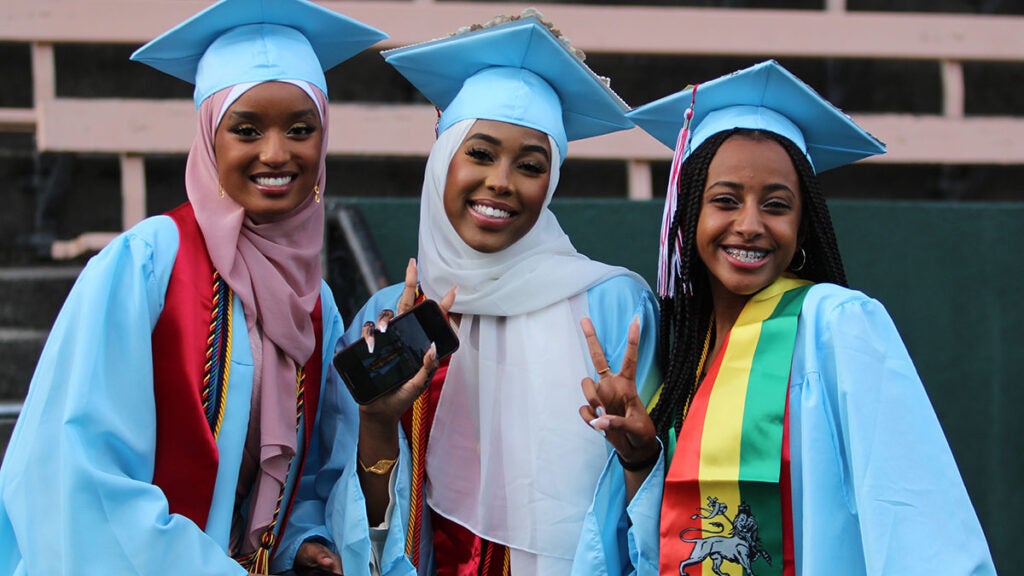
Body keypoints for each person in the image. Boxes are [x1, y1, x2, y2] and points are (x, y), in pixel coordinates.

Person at [0, 1, 421, 574]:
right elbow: (74, 472)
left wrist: (303, 541)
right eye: (246, 129)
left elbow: (298, 484)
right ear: (208, 137)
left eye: (301, 129)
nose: (277, 153)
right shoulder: (147, 264)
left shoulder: (315, 303)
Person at [574, 60, 996, 575]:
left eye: (776, 205)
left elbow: (915, 520)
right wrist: (640, 458)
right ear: (689, 214)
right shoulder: (685, 356)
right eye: (725, 201)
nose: (749, 225)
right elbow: (667, 548)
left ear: (803, 224)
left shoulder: (836, 326)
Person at [339, 11, 660, 575]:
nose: (502, 182)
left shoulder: (612, 306)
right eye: (480, 153)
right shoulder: (390, 319)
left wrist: (639, 454)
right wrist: (378, 420)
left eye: (531, 165)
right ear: (442, 159)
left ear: (552, 180)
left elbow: (655, 504)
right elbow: (358, 531)